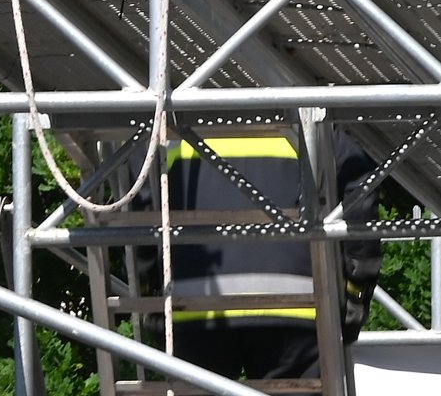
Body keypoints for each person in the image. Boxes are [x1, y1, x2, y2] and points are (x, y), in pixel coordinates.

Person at [147, 128, 382, 384]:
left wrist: (150, 297)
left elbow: (139, 207)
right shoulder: (310, 116)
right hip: (298, 307)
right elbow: (361, 199)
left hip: (192, 308)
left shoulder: (168, 121)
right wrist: (356, 293)